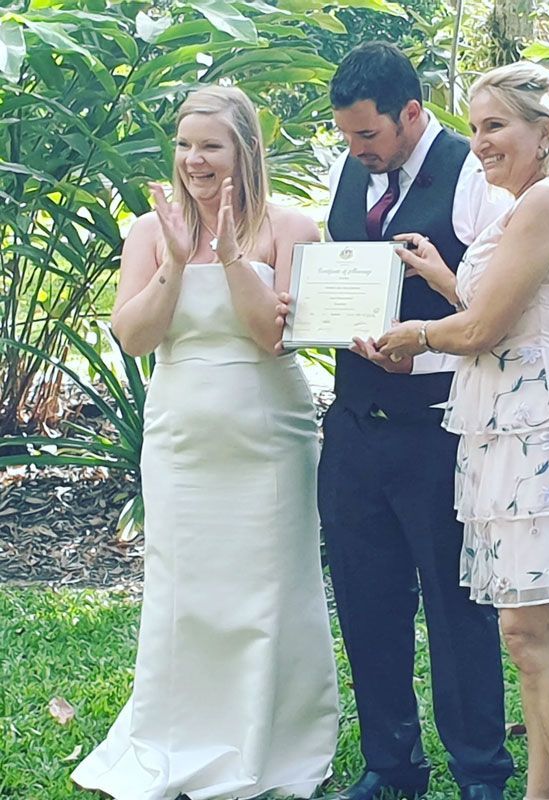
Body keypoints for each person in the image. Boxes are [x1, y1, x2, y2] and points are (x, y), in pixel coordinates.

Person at [72, 86, 338, 800]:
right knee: (185, 589)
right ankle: (176, 735)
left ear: (244, 152)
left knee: (269, 590)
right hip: (182, 439)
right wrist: (175, 260)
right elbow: (134, 337)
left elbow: (274, 337)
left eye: (210, 145)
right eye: (185, 145)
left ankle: (273, 741)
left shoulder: (292, 229)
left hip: (269, 439)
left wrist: (225, 258)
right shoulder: (147, 232)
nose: (194, 160)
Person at [377, 61, 549, 800]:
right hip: (509, 418)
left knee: (531, 637)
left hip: (536, 427)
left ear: (544, 131)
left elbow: (488, 329)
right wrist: (441, 280)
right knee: (529, 640)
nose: (478, 143)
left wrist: (416, 335)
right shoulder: (528, 203)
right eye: (475, 126)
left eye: (495, 126)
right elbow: (506, 311)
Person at [284, 41, 515, 800]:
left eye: (368, 136)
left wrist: (421, 357)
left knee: (456, 611)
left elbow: (495, 320)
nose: (356, 151)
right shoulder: (357, 169)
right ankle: (391, 766)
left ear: (412, 113)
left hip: (439, 427)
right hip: (353, 426)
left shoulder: (474, 180)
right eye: (348, 137)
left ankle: (480, 771)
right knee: (365, 597)